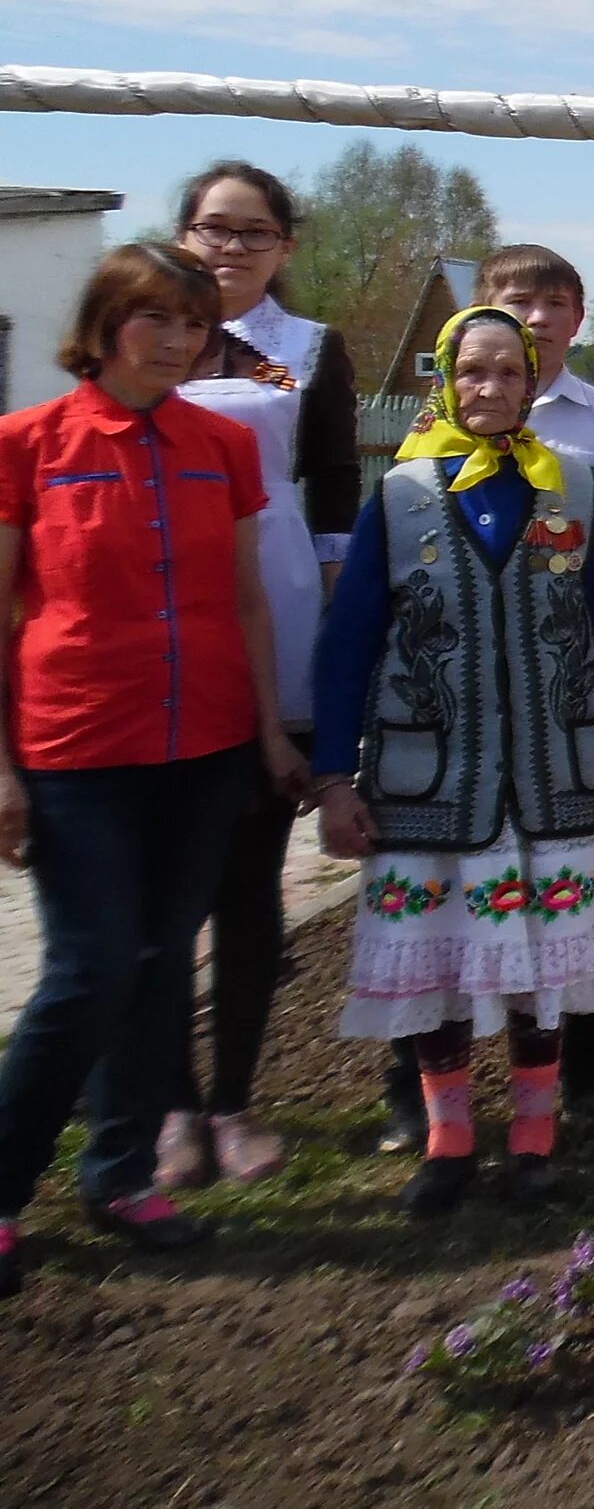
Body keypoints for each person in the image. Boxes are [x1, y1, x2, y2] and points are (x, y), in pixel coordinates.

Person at [0, 244, 309, 1291]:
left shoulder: (220, 443)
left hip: (208, 746)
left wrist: (270, 732)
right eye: (154, 319)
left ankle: (120, 1173)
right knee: (88, 971)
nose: (176, 340)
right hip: (77, 748)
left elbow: (248, 600)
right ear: (101, 326)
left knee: (161, 962)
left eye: (191, 324)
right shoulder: (27, 444)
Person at [310, 307, 594, 1214]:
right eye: (474, 372)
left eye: (510, 372)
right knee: (446, 968)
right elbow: (347, 646)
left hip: (551, 774)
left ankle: (535, 1137)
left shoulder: (572, 486)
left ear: (534, 380)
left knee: (540, 963)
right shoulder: (400, 496)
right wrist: (331, 779)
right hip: (432, 783)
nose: (491, 388)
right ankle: (450, 1136)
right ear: (446, 381)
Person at [154, 160, 358, 1187]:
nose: (229, 250)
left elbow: (332, 490)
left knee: (245, 878)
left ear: (285, 244)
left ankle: (233, 1098)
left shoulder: (305, 353)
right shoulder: (146, 340)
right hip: (153, 617)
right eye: (212, 229)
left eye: (252, 233)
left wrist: (328, 620)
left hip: (271, 610)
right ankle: (166, 1106)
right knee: (158, 889)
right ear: (183, 235)